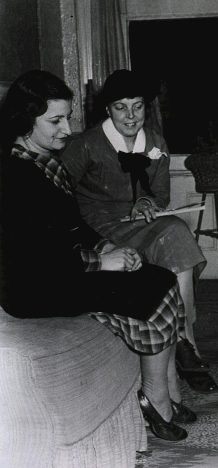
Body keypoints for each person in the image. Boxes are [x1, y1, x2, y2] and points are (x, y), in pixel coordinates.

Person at [0, 69, 197, 442]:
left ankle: (162, 393)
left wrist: (105, 245)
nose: (67, 129)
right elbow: (31, 258)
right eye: (55, 120)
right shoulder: (14, 174)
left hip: (59, 271)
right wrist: (99, 263)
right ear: (25, 120)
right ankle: (156, 400)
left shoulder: (45, 161)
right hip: (32, 289)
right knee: (152, 291)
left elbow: (72, 226)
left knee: (162, 278)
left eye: (68, 117)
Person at [60, 69, 218, 393]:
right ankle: (186, 346)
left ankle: (186, 338)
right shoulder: (86, 144)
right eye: (121, 107)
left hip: (139, 224)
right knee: (174, 237)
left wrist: (147, 202)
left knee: (175, 232)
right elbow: (58, 195)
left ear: (147, 107)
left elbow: (160, 194)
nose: (131, 116)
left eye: (138, 106)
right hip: (97, 227)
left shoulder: (156, 142)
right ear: (107, 109)